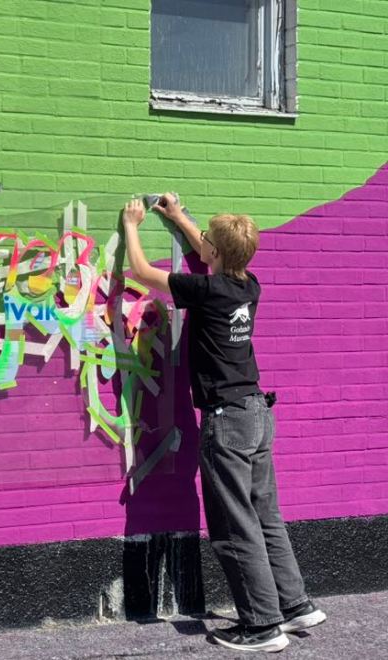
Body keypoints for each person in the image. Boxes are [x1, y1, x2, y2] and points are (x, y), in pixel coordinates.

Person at [121, 196, 326, 653]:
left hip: (228, 421)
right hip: (256, 412)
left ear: (214, 252)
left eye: (207, 242)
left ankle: (262, 626)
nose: (203, 245)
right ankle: (295, 605)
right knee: (265, 515)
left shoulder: (205, 291)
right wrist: (178, 215)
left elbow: (141, 270)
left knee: (235, 526)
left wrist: (132, 224)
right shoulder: (249, 285)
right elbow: (212, 249)